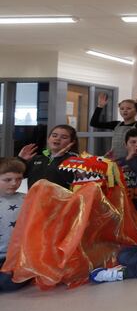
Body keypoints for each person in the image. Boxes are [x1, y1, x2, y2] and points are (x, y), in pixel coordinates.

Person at [17, 124, 80, 189]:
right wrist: (21, 160)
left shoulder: (73, 160)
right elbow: (17, 175)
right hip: (34, 198)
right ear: (48, 139)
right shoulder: (37, 158)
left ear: (72, 142)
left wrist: (57, 158)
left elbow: (69, 179)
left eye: (64, 137)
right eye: (54, 135)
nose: (57, 138)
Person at [90, 91, 137, 159]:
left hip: (131, 160)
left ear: (136, 111)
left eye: (128, 108)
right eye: (122, 108)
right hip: (116, 160)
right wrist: (100, 107)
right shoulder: (116, 124)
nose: (125, 111)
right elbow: (94, 123)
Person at [0, 158, 28, 292]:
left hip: (15, 257)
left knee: (7, 283)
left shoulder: (26, 199)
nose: (14, 183)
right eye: (8, 180)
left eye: (19, 179)